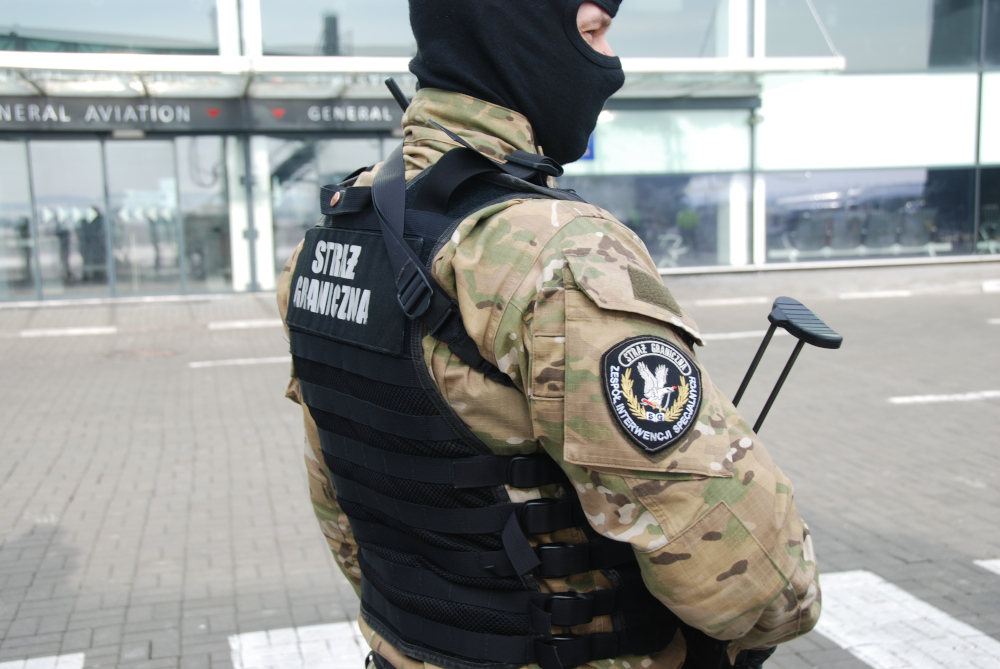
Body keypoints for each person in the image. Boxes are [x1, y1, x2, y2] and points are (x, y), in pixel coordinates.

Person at [277, 2, 821, 668]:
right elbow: (746, 578)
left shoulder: (331, 236)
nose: (609, 64)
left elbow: (341, 512)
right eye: (592, 30)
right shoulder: (560, 251)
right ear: (516, 33)